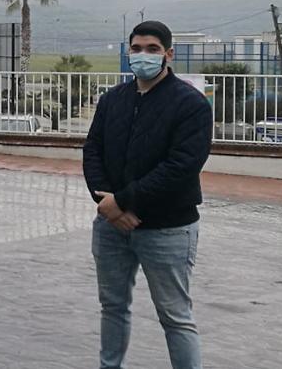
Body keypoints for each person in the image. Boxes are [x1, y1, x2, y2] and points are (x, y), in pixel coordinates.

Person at [84, 21, 212, 369]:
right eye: (137, 48)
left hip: (168, 229)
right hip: (111, 226)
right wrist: (106, 205)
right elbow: (92, 151)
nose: (143, 55)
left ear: (169, 54)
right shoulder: (113, 100)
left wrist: (122, 202)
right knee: (112, 307)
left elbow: (180, 167)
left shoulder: (190, 104)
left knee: (175, 316)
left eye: (152, 49)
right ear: (129, 52)